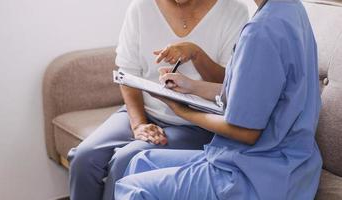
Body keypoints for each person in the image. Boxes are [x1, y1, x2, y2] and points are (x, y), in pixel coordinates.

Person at [115, 0, 323, 199]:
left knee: (133, 188)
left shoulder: (261, 31)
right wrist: (191, 87)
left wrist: (182, 110)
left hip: (257, 174)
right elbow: (255, 92)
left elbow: (246, 132)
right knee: (141, 161)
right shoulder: (290, 8)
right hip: (288, 166)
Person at [67, 0, 249, 199]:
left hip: (195, 124)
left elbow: (227, 86)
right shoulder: (141, 7)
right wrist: (139, 124)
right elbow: (127, 73)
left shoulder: (233, 10)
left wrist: (196, 54)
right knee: (84, 157)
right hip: (144, 110)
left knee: (125, 160)